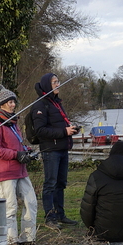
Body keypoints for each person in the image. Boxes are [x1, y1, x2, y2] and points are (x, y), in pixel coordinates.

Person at [0, 85, 38, 245]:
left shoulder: (13, 122)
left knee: (31, 201)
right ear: (1, 104)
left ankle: (28, 238)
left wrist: (26, 151)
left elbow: (17, 144)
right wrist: (16, 155)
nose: (13, 105)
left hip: (20, 171)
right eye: (9, 102)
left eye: (13, 101)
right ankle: (10, 242)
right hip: (5, 172)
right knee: (10, 206)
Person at [28, 72, 77, 226]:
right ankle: (50, 217)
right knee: (50, 183)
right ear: (47, 85)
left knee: (61, 183)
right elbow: (40, 130)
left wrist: (70, 129)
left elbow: (59, 123)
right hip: (50, 150)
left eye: (58, 81)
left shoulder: (57, 102)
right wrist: (64, 132)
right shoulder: (40, 105)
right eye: (55, 82)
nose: (58, 84)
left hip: (62, 147)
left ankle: (60, 214)